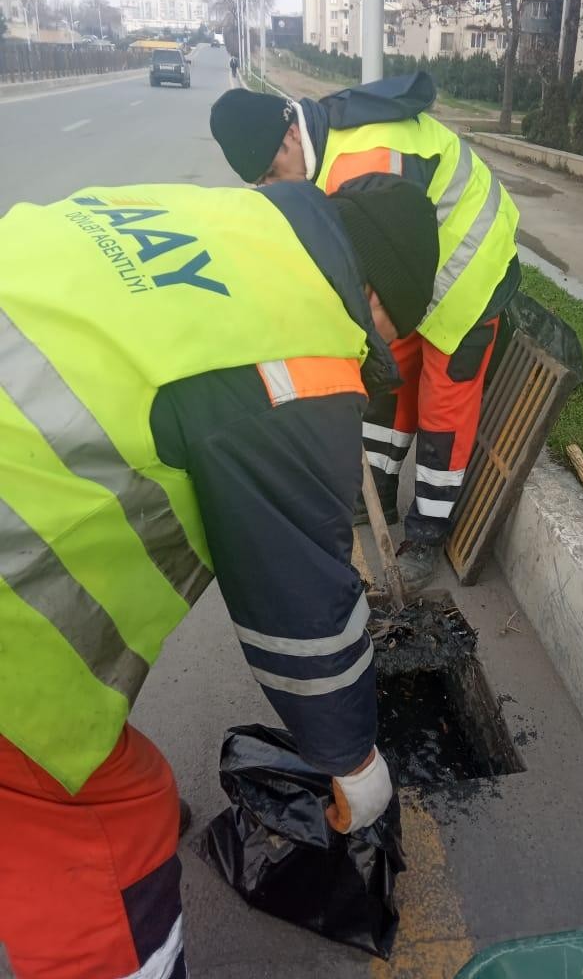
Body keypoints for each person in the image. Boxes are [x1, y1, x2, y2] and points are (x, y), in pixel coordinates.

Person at [0, 174, 439, 978]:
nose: (378, 351)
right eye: (387, 330)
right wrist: (352, 760)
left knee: (124, 776)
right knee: (110, 826)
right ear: (373, 293)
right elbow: (298, 609)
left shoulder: (223, 219)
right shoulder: (297, 351)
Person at [209, 73, 521, 592]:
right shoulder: (316, 149)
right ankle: (374, 485)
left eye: (272, 173)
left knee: (443, 400)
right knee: (390, 369)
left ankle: (426, 531)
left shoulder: (364, 160)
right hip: (414, 260)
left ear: (289, 135)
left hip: (467, 261)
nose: (273, 188)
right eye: (259, 184)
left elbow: (366, 273)